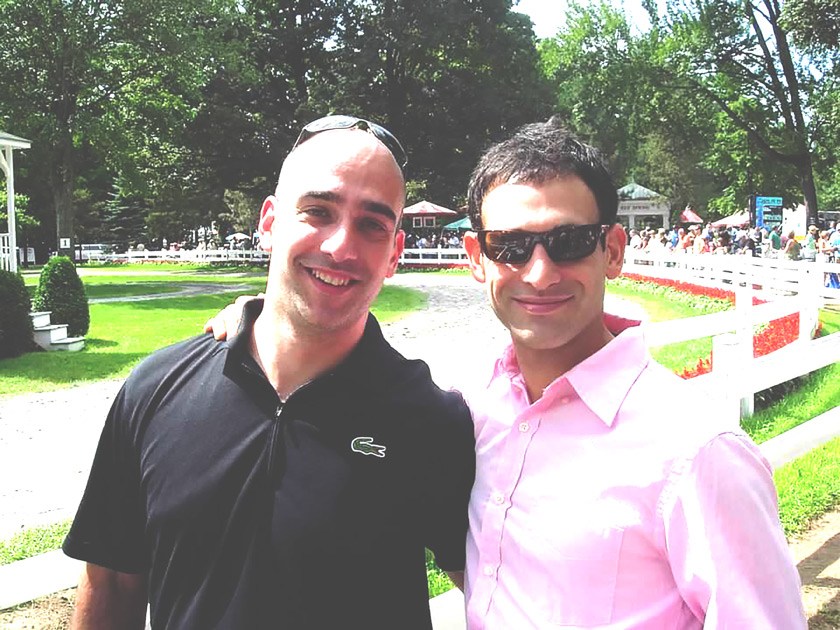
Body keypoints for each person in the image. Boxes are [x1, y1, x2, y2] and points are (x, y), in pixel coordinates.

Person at [207, 118, 806, 628]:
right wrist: (261, 319)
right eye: (511, 246)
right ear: (478, 259)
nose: (540, 273)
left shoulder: (698, 451)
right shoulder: (473, 411)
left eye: (569, 241)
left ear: (615, 250)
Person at [62, 115, 476, 629]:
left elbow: (508, 589)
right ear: (269, 223)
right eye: (318, 211)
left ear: (395, 253)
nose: (340, 247)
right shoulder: (155, 390)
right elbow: (111, 583)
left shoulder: (431, 421)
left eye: (372, 224)